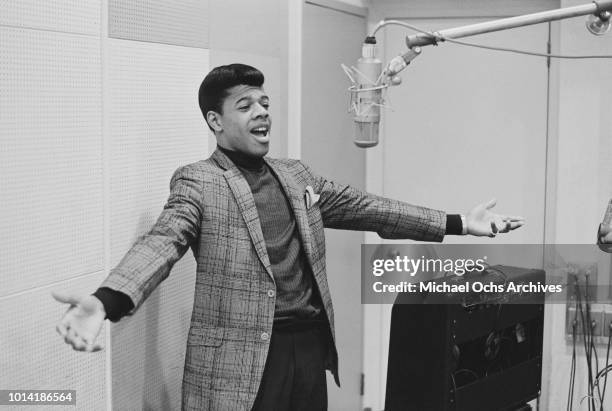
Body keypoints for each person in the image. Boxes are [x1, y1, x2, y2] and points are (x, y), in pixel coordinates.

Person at [53, 63, 524, 411]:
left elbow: (370, 207)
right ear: (215, 121)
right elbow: (162, 241)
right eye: (245, 106)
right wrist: (106, 300)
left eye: (264, 103)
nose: (262, 113)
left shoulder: (295, 173)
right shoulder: (199, 181)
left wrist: (458, 222)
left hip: (307, 346)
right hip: (242, 359)